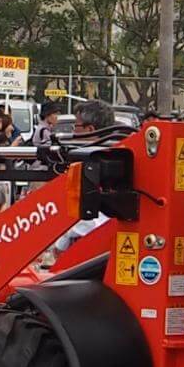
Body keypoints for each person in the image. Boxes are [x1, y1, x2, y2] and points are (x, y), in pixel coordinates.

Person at [49, 100, 116, 260]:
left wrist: (60, 245)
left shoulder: (90, 167)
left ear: (90, 130)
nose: (73, 132)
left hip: (86, 248)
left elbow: (88, 219)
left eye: (76, 126)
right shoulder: (116, 159)